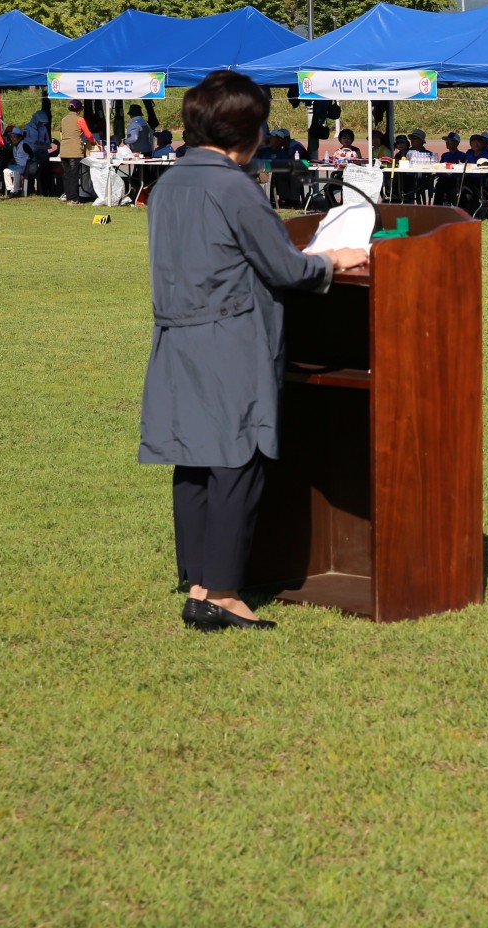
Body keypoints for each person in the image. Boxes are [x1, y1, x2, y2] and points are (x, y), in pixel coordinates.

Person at [138, 71, 366, 632]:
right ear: (252, 131)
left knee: (193, 462)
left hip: (176, 338)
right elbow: (286, 267)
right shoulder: (233, 187)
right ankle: (223, 592)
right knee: (237, 463)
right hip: (228, 340)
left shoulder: (169, 184)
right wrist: (333, 260)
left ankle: (199, 580)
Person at [58, 99, 94, 203]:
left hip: (64, 149)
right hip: (74, 150)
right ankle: (73, 199)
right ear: (79, 109)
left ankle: (68, 196)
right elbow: (88, 135)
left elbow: (62, 132)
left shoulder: (63, 119)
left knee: (67, 175)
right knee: (74, 176)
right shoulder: (80, 120)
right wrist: (94, 141)